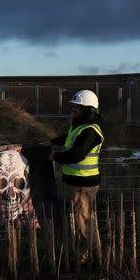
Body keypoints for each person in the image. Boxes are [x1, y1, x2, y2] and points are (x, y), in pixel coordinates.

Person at [44, 89, 104, 264]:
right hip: (76, 183)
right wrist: (53, 142)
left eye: (77, 109)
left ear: (88, 110)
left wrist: (55, 156)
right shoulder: (80, 127)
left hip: (82, 185)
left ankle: (86, 260)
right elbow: (69, 138)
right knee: (84, 221)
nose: (73, 111)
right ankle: (90, 256)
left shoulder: (90, 131)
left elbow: (77, 154)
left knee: (83, 223)